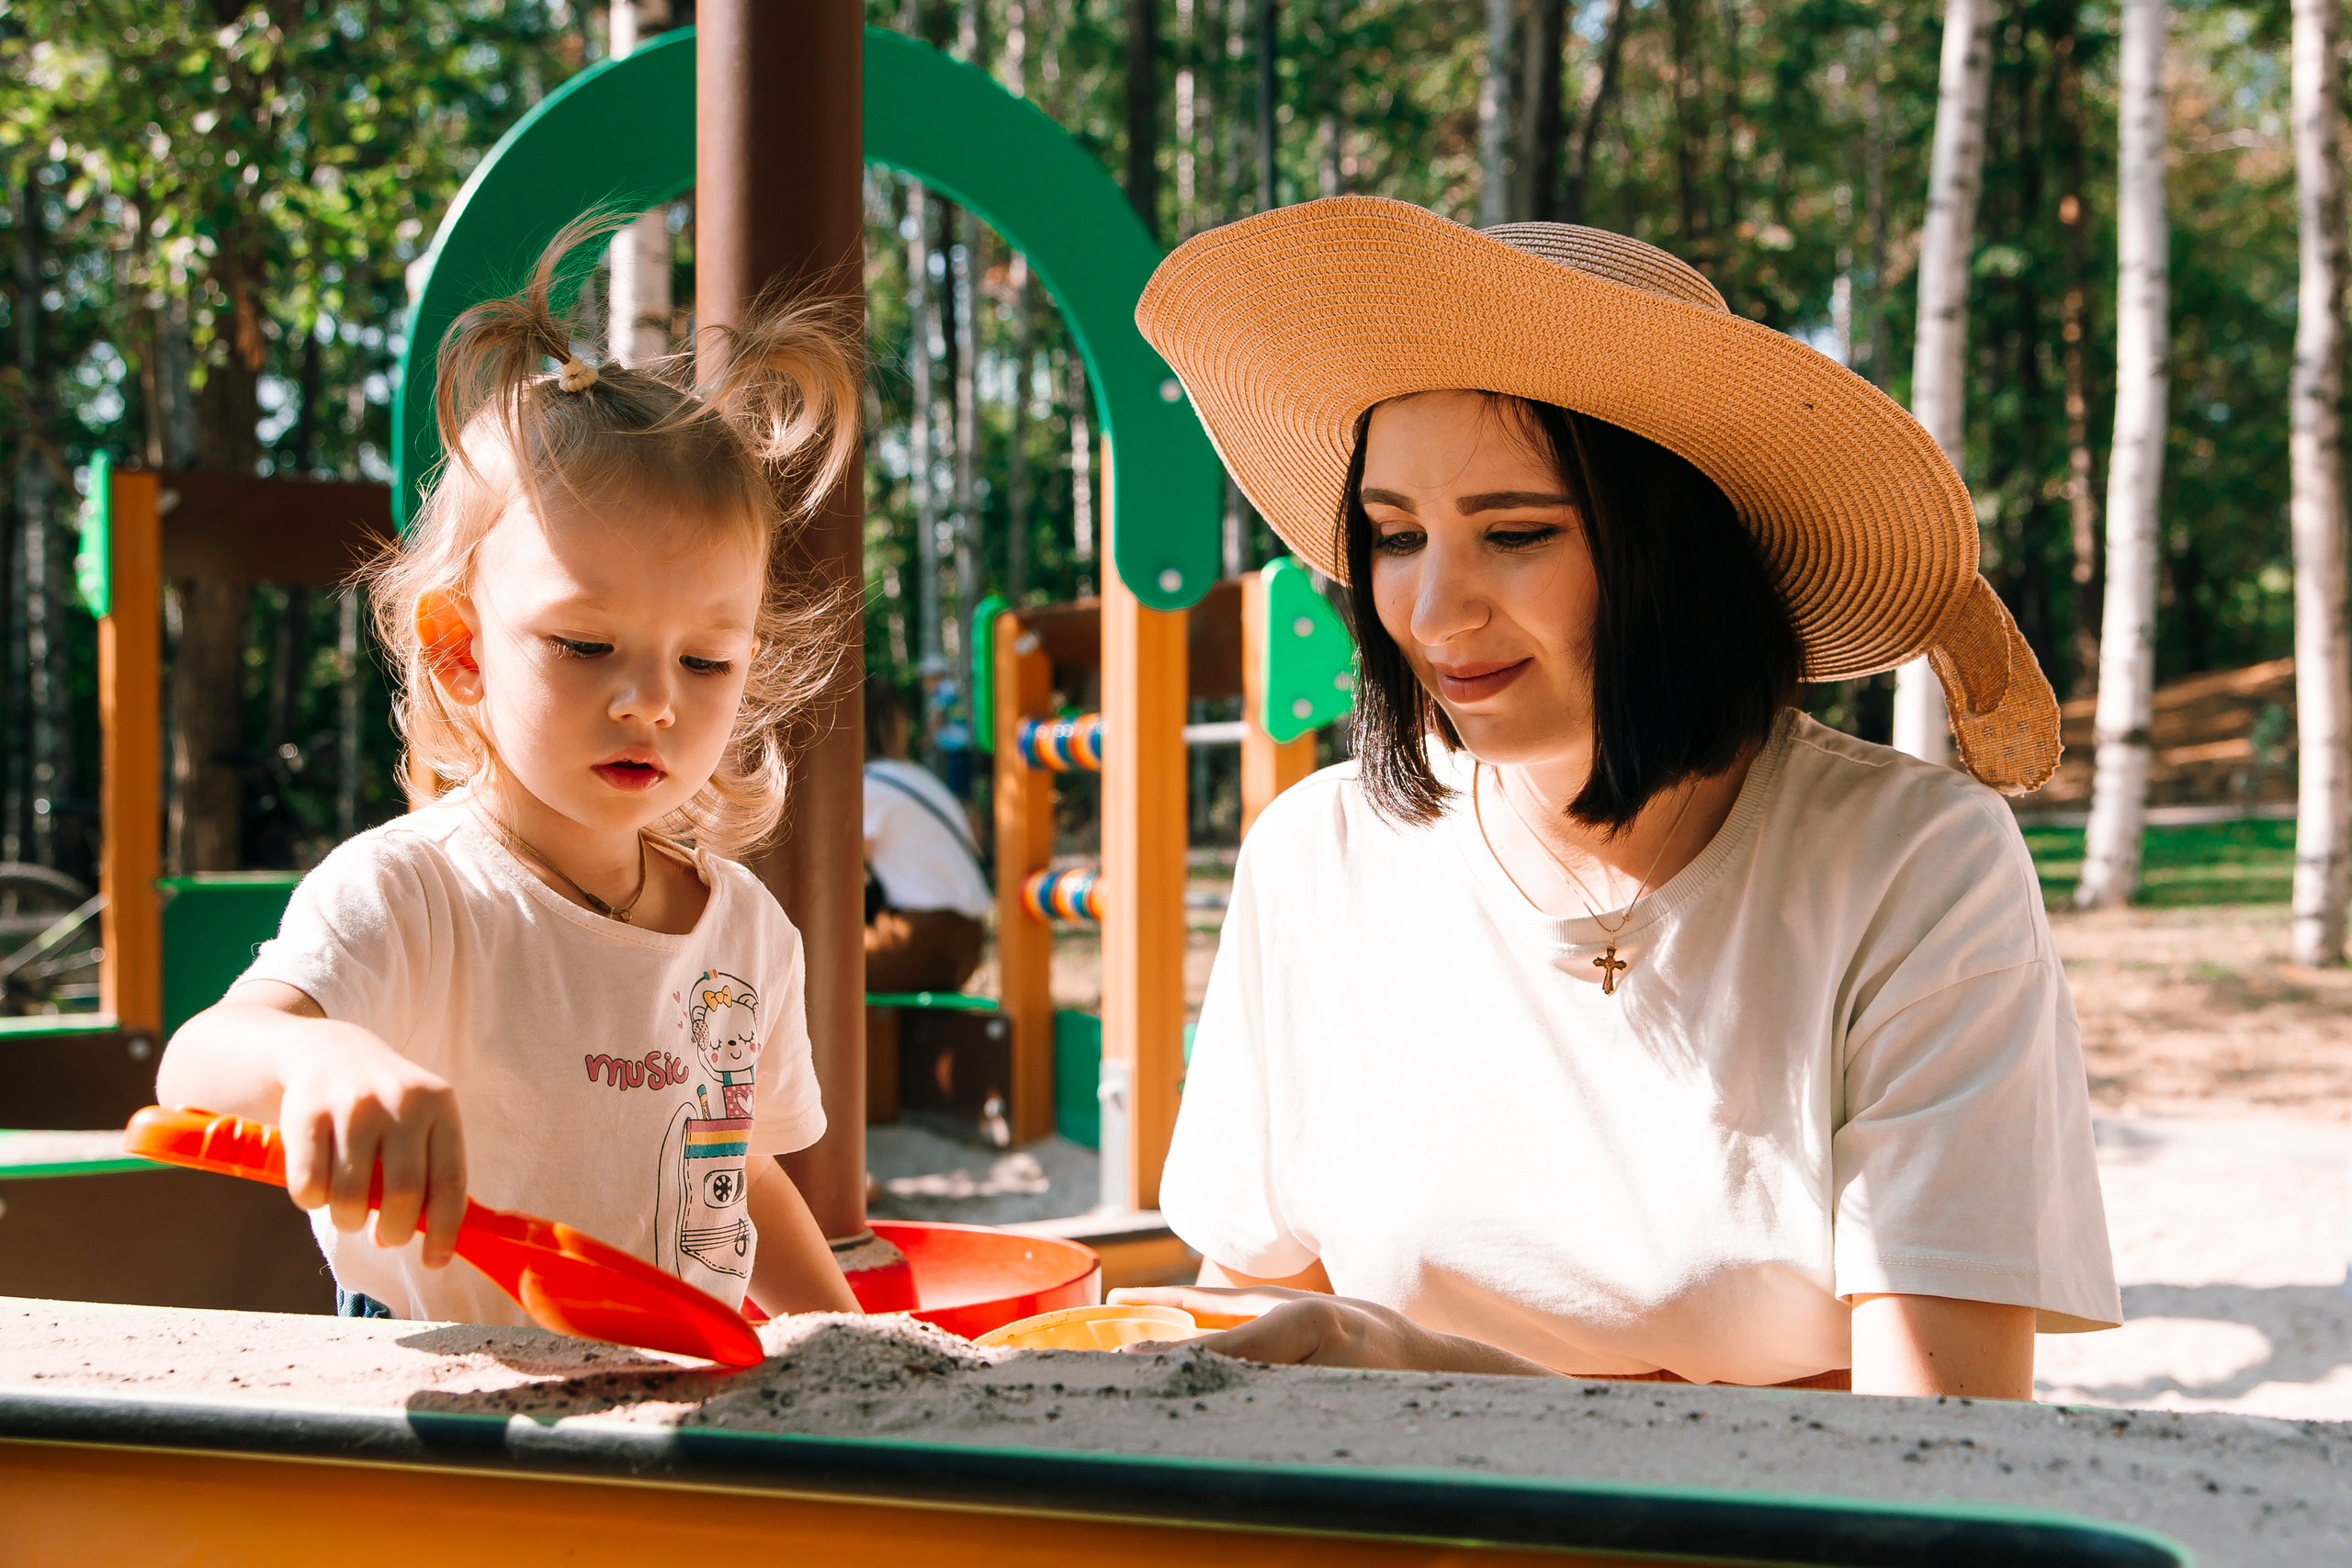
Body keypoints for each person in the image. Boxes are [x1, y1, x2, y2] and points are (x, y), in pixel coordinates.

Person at [1113, 197, 2119, 1398]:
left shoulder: (1912, 865)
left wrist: (1433, 1371)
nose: (1434, 614)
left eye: (1517, 531)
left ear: (1677, 552)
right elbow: (1247, 1338)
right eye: (1393, 535)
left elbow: (1940, 1452)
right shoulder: (1316, 856)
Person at [155, 219, 862, 1324]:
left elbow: (737, 1178)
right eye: (586, 646)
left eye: (706, 660)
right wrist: (323, 1063)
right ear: (458, 650)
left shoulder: (747, 935)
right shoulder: (413, 896)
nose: (653, 701)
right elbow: (198, 1064)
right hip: (455, 1419)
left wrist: (845, 1348)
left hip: (680, 1410)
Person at [862, 679, 990, 995]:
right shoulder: (918, 778)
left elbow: (838, 878)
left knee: (815, 957)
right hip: (970, 943)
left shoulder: (867, 786)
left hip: (921, 940)